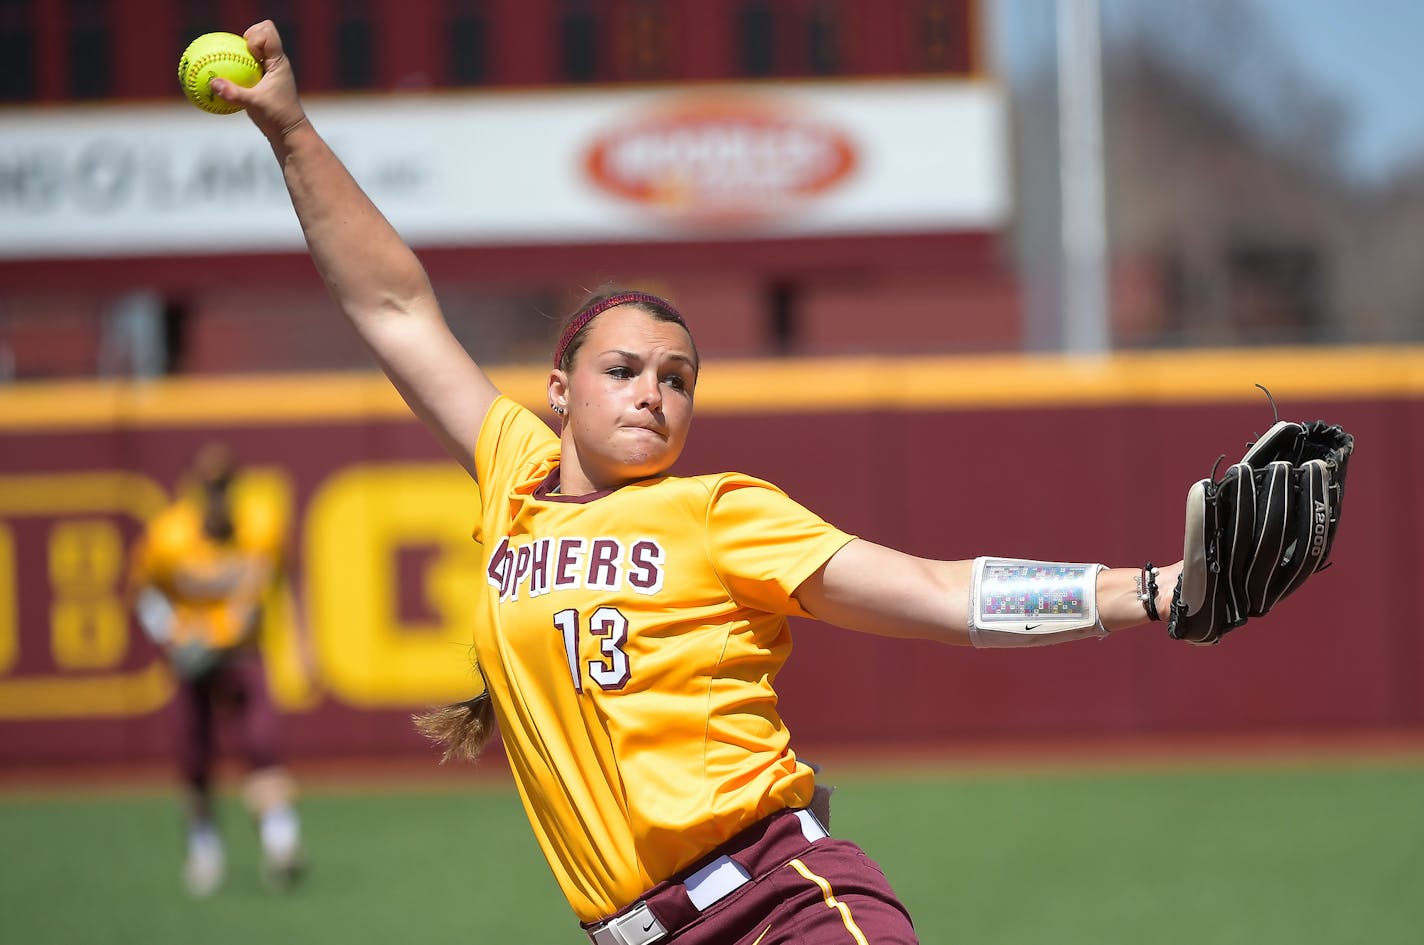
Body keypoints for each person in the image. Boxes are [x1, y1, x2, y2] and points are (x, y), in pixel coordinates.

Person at [217, 21, 1184, 943]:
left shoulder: (718, 512)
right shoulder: (515, 478)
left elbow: (939, 591)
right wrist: (292, 132)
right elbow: (393, 306)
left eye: (676, 379)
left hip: (781, 906)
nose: (652, 393)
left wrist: (1147, 590)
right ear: (559, 391)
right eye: (623, 369)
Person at [128, 441, 307, 897]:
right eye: (211, 487)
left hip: (242, 652)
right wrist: (171, 634)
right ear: (195, 490)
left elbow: (283, 578)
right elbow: (145, 592)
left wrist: (301, 639)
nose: (218, 496)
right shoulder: (169, 536)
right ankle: (204, 849)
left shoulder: (260, 527)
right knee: (193, 756)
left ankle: (280, 842)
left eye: (225, 486)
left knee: (262, 745)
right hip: (192, 659)